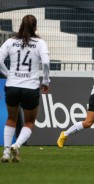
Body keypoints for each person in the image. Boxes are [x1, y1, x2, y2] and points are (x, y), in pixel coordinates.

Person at [0, 15, 50, 162]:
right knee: (29, 122)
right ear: (35, 27)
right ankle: (17, 145)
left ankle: (6, 152)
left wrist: (8, 74)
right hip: (30, 87)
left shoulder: (10, 42)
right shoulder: (40, 43)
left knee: (11, 119)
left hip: (12, 86)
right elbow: (46, 63)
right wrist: (46, 81)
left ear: (21, 25)